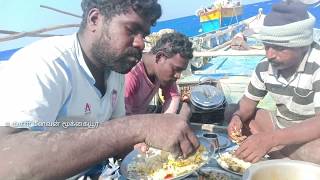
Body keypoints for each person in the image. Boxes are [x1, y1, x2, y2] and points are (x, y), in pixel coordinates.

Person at [0, 0, 199, 179]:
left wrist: (145, 143)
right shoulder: (46, 64)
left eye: (144, 35)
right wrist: (140, 126)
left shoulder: (116, 70)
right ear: (95, 19)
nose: (140, 43)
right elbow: (6, 157)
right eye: (131, 30)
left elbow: (116, 132)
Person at [227, 1, 320, 164]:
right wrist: (237, 117)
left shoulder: (317, 64)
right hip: (279, 127)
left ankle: (276, 152)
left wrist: (271, 139)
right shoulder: (265, 67)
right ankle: (281, 153)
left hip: (310, 135)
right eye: (266, 46)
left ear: (302, 45)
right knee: (231, 111)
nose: (270, 54)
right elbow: (247, 104)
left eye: (279, 47)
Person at [125, 32, 193, 115]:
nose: (178, 75)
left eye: (181, 71)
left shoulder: (161, 74)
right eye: (176, 69)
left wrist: (167, 121)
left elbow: (173, 96)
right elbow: (123, 118)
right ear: (159, 57)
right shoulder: (131, 75)